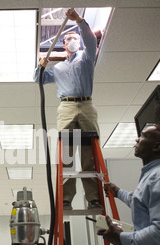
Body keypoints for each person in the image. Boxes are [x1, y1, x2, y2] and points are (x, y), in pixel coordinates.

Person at [33, 8, 102, 211]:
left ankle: (93, 198)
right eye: (69, 38)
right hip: (66, 106)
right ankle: (66, 199)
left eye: (75, 38)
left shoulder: (87, 58)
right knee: (67, 155)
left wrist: (79, 21)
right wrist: (41, 66)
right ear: (63, 45)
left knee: (89, 155)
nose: (73, 41)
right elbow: (38, 80)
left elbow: (91, 41)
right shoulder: (59, 68)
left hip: (87, 104)